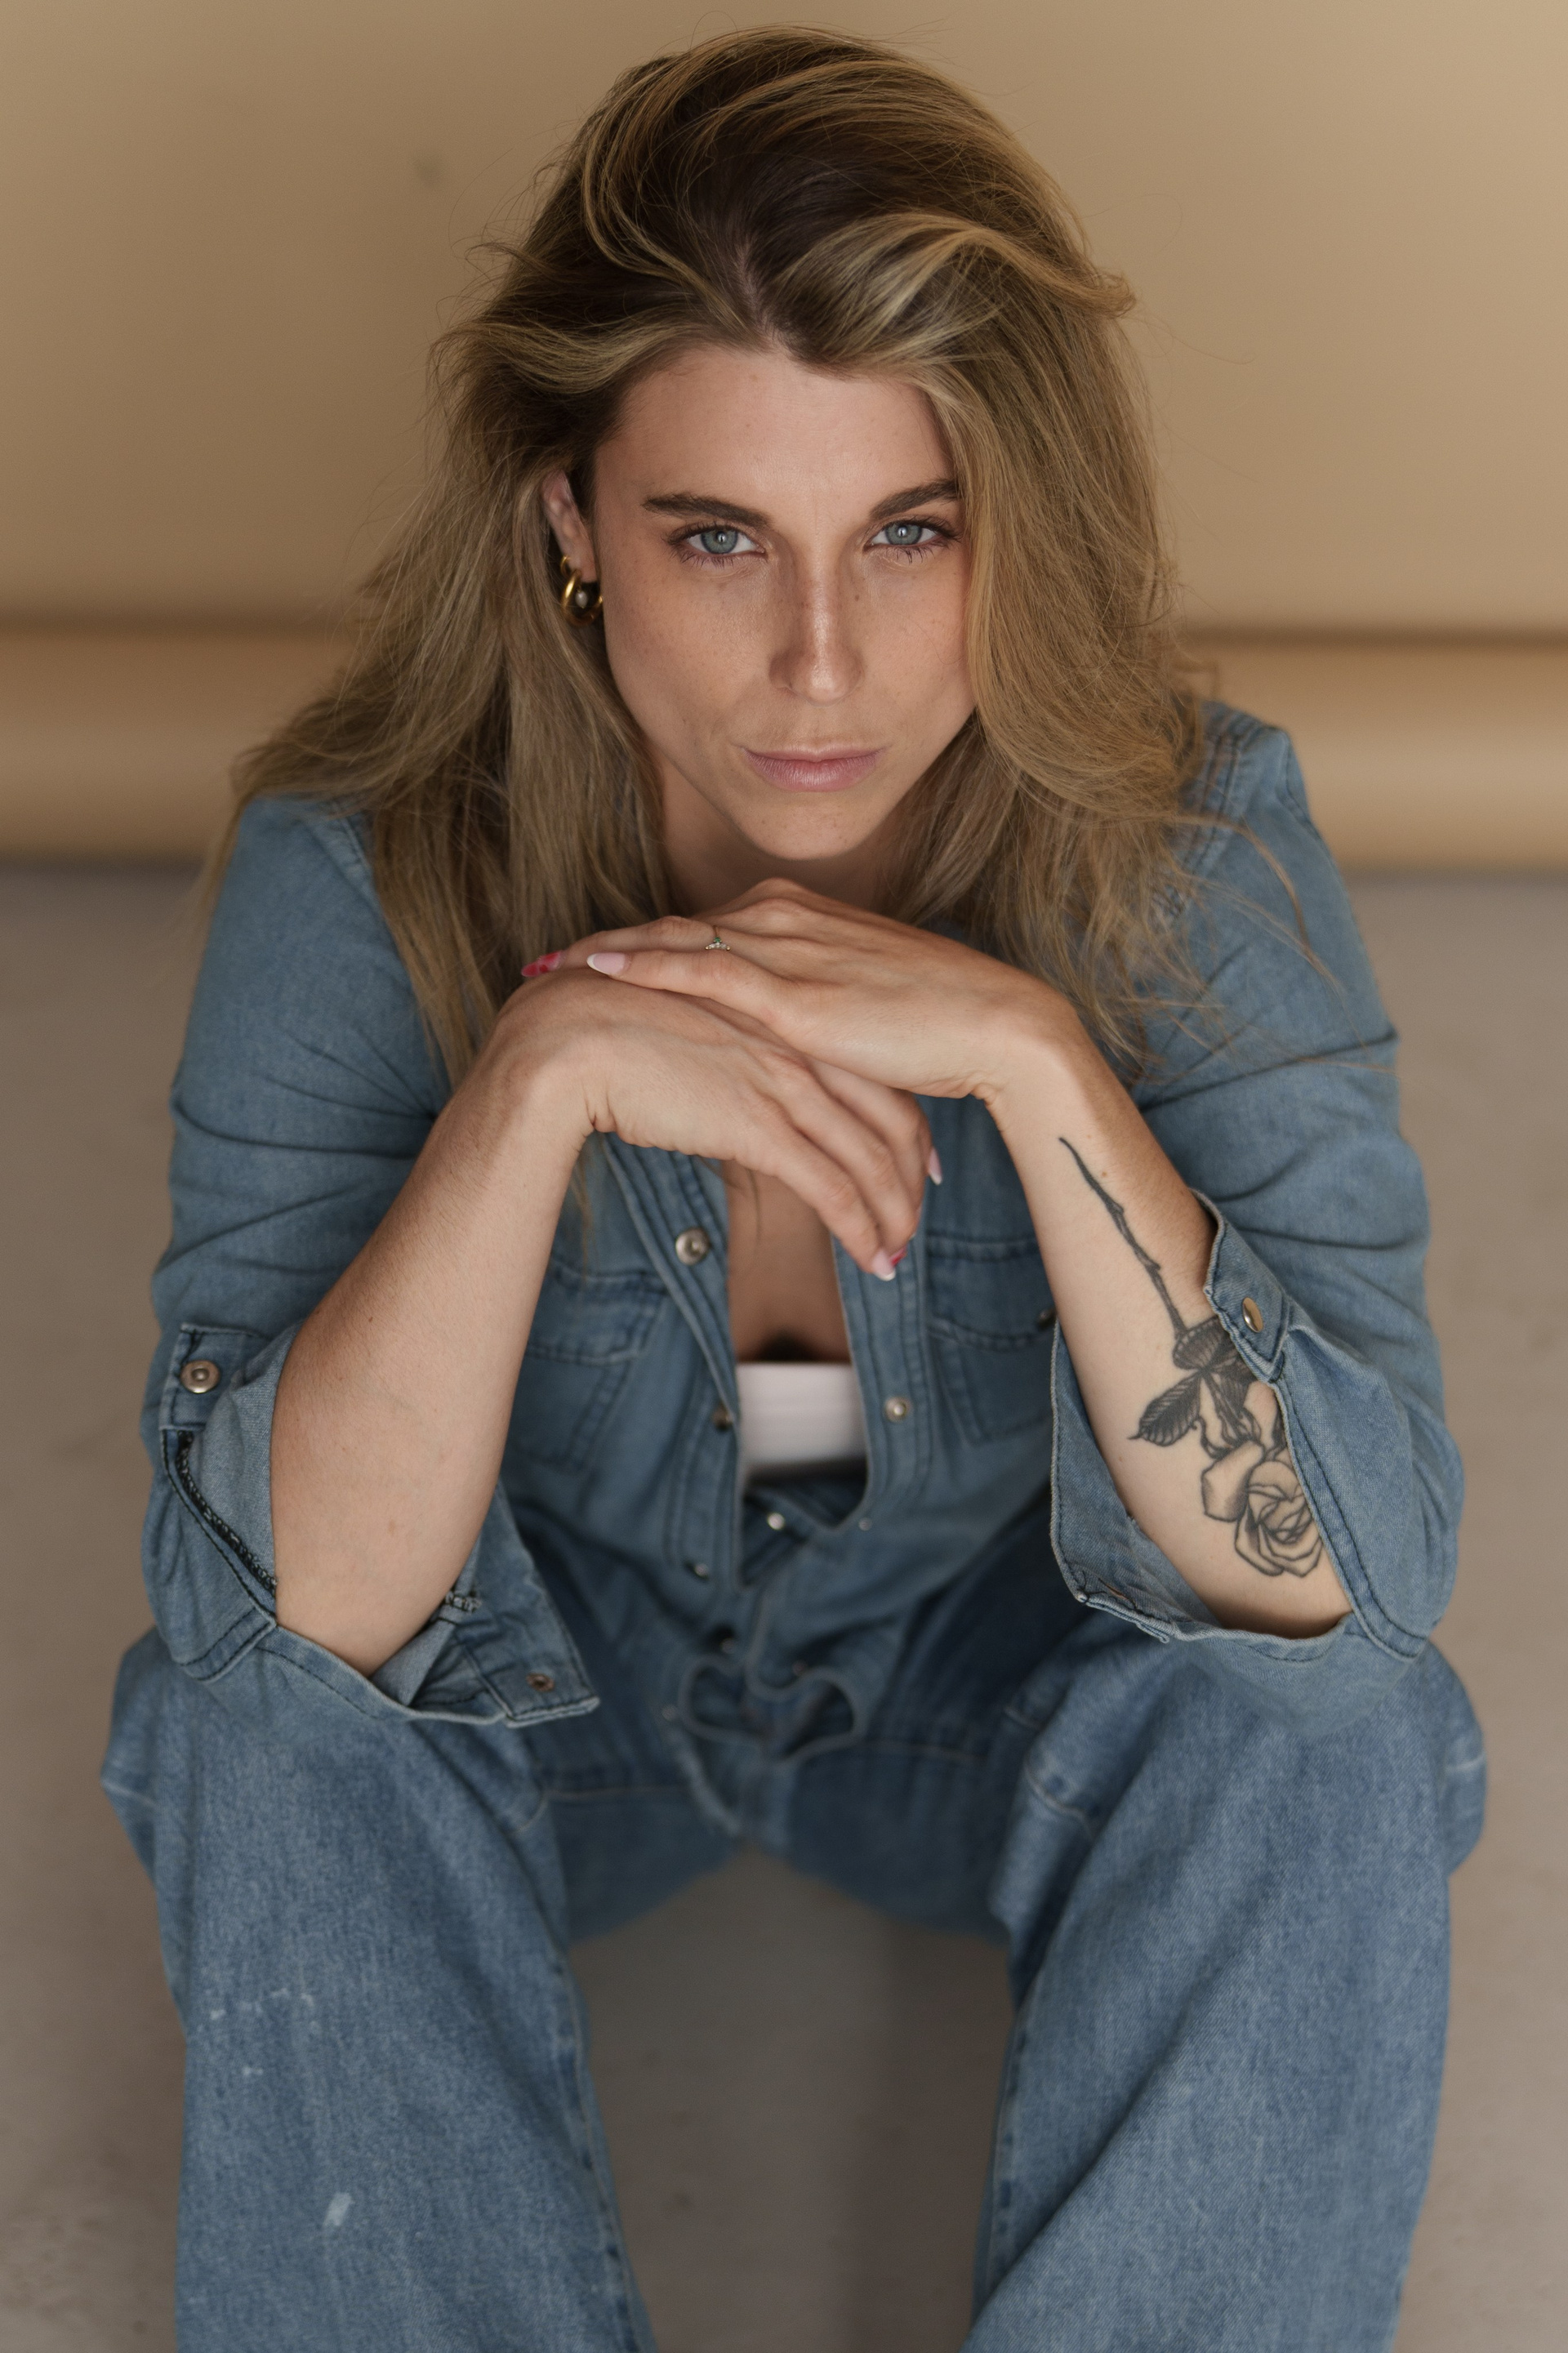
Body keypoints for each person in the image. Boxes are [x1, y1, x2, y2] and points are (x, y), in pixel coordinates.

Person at [102, 26, 1484, 2350]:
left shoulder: (1188, 848)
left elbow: (1346, 1580)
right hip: (567, 1679)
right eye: (718, 536)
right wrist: (535, 1082)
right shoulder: (365, 871)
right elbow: (290, 1617)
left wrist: (1037, 1062)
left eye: (910, 532)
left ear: (1018, 527)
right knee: (247, 1709)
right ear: (570, 521)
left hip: (983, 1675)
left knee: (1333, 1734)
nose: (820, 662)